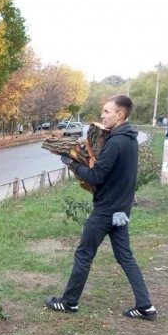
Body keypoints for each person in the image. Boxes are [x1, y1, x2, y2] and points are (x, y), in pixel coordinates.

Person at [45, 95, 157, 321]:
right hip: (121, 211)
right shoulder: (129, 139)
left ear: (120, 115)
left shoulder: (116, 142)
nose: (102, 116)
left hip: (106, 211)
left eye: (107, 112)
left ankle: (69, 303)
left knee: (84, 254)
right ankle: (146, 306)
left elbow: (97, 176)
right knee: (126, 257)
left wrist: (73, 164)